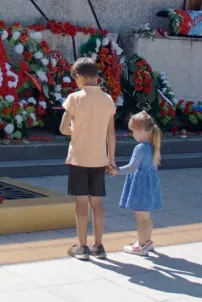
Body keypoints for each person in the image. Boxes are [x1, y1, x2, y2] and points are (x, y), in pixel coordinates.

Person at [59, 57, 117, 260]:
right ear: (96, 76)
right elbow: (111, 134)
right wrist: (112, 160)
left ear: (79, 76)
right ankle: (98, 246)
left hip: (78, 158)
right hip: (100, 159)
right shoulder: (108, 99)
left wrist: (77, 129)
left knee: (81, 202)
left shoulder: (74, 98)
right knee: (97, 203)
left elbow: (63, 128)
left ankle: (82, 246)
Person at [114, 110, 164, 256]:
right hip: (151, 184)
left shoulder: (140, 147)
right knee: (146, 216)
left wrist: (116, 170)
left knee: (140, 217)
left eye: (133, 131)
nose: (132, 135)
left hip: (141, 185)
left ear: (140, 130)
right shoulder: (153, 145)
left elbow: (131, 167)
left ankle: (141, 245)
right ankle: (147, 241)